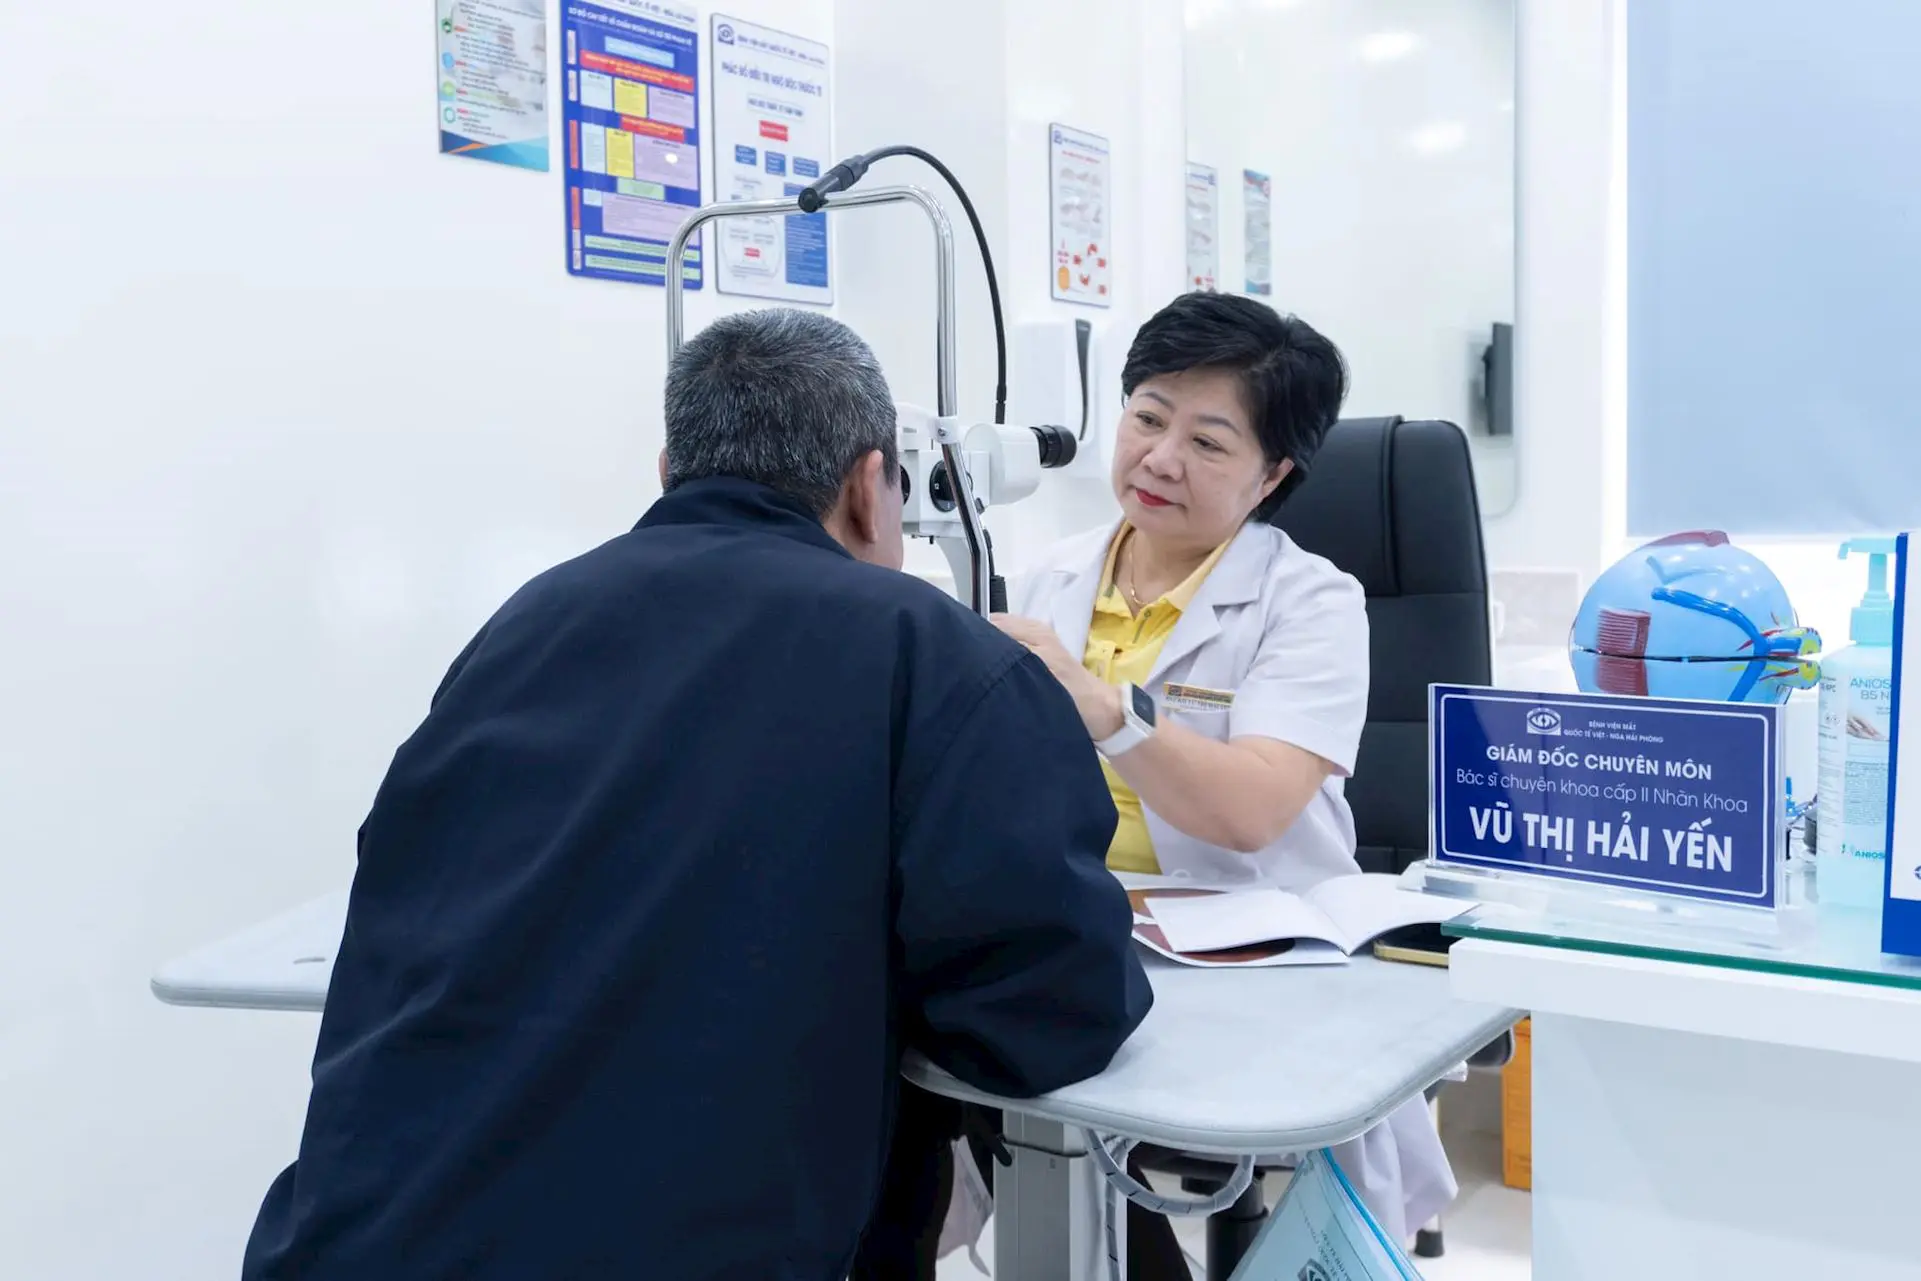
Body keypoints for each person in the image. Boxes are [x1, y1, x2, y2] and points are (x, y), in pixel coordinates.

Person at [240, 308, 1153, 1281]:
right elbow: (1052, 1018)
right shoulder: (931, 652)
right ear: (869, 487)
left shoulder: (528, 622)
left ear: (669, 472)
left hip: (354, 1239)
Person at [989, 291, 1455, 1265]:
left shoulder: (1310, 604)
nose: (1160, 459)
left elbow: (1248, 811)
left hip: (1261, 960)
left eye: (1208, 441)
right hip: (1088, 938)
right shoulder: (1046, 581)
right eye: (1148, 416)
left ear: (1272, 474)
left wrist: (1107, 711)